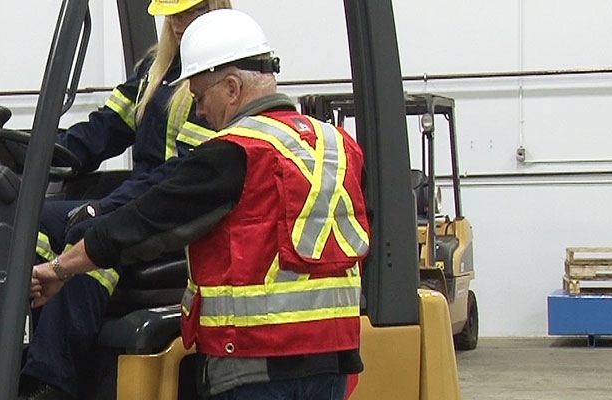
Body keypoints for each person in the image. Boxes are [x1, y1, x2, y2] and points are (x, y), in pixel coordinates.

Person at [30, 9, 370, 400]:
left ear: (230, 88)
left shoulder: (234, 153)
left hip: (255, 363)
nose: (201, 111)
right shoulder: (338, 147)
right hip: (335, 363)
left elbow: (143, 224)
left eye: (200, 98)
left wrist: (61, 268)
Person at [19, 1, 231, 399]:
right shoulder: (157, 71)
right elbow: (105, 128)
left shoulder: (216, 85)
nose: (180, 23)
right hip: (141, 197)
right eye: (175, 14)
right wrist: (38, 156)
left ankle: (51, 381)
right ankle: (22, 353)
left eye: (190, 12)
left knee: (92, 233)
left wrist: (105, 208)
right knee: (33, 219)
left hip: (178, 214)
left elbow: (181, 180)